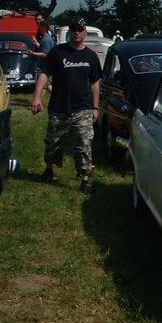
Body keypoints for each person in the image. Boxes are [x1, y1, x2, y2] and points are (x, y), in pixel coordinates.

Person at [30, 17, 102, 194]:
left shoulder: (91, 56)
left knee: (84, 144)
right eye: (74, 30)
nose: (77, 33)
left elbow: (94, 84)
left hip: (83, 108)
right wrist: (37, 97)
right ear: (69, 32)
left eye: (80, 30)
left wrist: (95, 107)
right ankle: (49, 170)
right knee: (53, 142)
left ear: (85, 32)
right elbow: (44, 74)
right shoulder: (57, 52)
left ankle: (84, 178)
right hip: (59, 107)